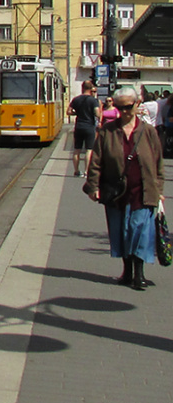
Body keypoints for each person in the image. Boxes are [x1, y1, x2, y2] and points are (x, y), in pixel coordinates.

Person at [84, 86, 165, 291]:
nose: (125, 112)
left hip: (143, 189)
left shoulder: (148, 132)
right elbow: (96, 161)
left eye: (129, 107)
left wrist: (160, 189)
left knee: (140, 230)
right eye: (120, 108)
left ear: (137, 105)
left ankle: (139, 274)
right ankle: (126, 271)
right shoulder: (107, 131)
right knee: (121, 231)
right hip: (116, 191)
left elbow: (158, 163)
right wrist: (93, 186)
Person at [66, 80, 100, 178]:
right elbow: (97, 113)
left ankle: (76, 171)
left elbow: (68, 112)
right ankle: (86, 171)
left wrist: (76, 113)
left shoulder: (76, 99)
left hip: (78, 126)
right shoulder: (93, 100)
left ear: (82, 88)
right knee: (89, 150)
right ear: (91, 89)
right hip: (89, 126)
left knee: (77, 150)